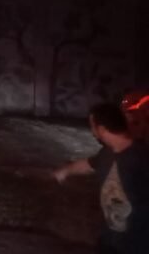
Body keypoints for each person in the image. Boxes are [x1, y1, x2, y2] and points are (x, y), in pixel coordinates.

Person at [53, 103, 149, 254]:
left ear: (102, 129)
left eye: (93, 126)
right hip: (110, 239)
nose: (92, 132)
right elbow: (88, 164)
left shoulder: (141, 157)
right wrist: (65, 171)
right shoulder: (106, 153)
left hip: (137, 243)